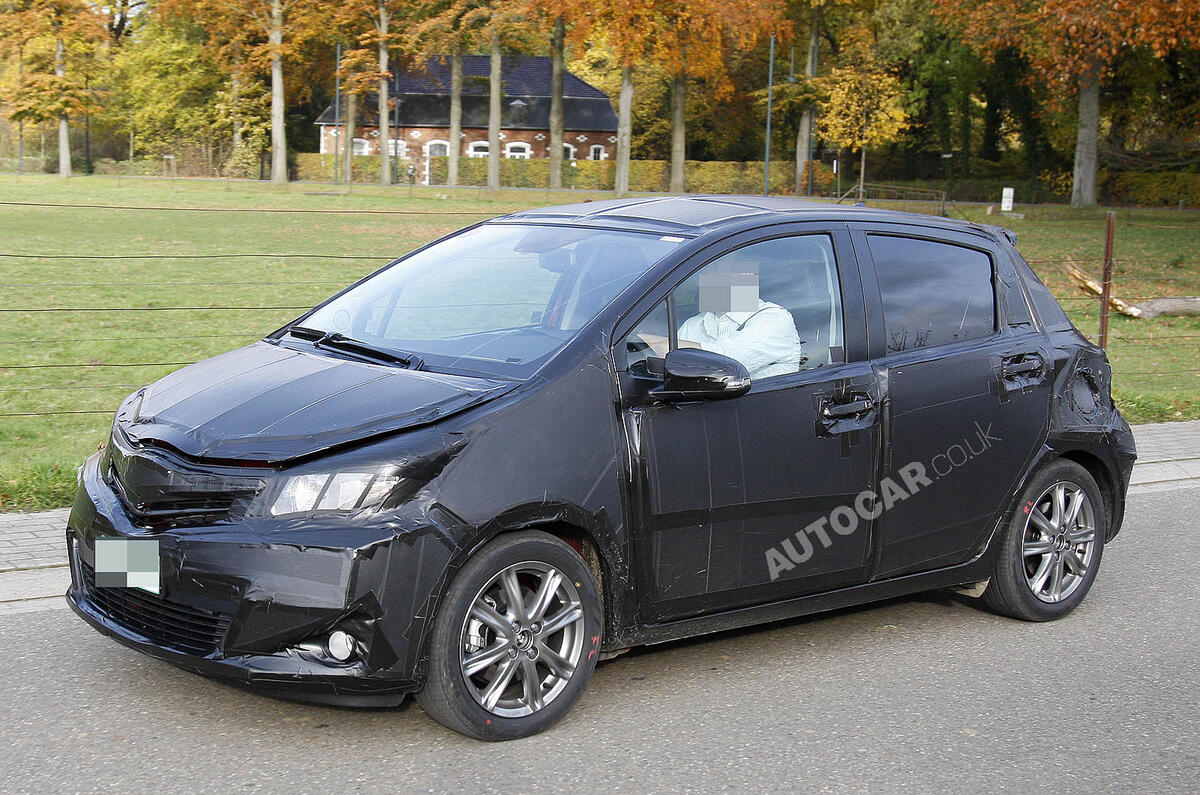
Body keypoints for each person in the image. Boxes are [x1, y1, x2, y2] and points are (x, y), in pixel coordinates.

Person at [637, 265, 803, 380]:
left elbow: (725, 361)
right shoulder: (693, 324)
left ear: (747, 276)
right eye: (707, 272)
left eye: (720, 269)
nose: (708, 277)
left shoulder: (774, 318)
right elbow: (671, 369)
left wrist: (638, 339)